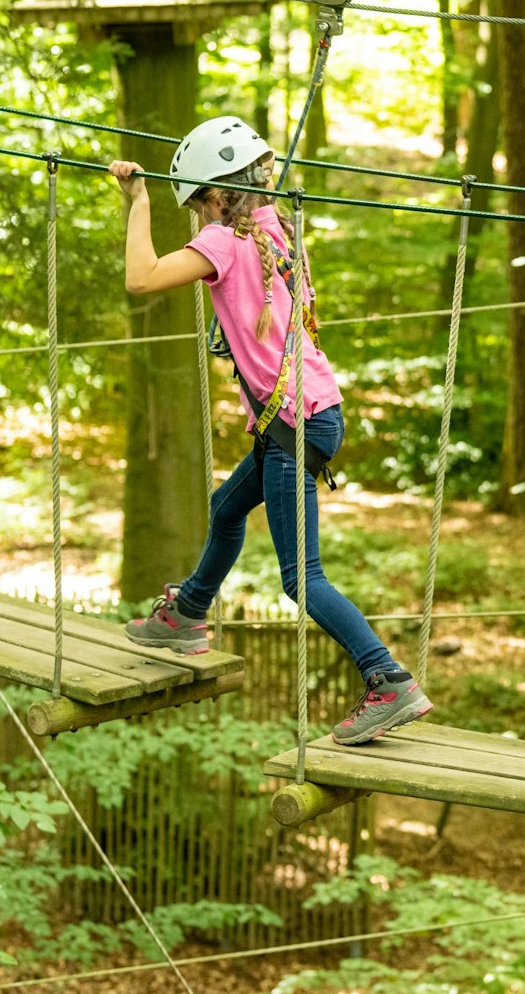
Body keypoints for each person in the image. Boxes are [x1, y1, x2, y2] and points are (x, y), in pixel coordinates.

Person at [107, 116, 430, 746]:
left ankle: (387, 679)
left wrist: (138, 201)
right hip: (311, 414)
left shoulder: (226, 244)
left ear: (220, 197)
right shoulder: (279, 231)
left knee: (300, 578)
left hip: (293, 422)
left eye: (199, 201)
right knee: (227, 509)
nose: (197, 215)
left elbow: (140, 278)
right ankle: (191, 613)